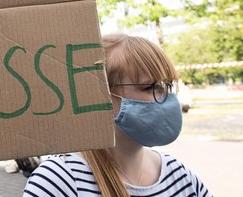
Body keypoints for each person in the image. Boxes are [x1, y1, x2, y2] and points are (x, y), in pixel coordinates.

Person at [24, 34, 212, 197]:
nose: (166, 99)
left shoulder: (179, 175)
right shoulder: (60, 180)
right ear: (102, 95)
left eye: (167, 86)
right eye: (150, 87)